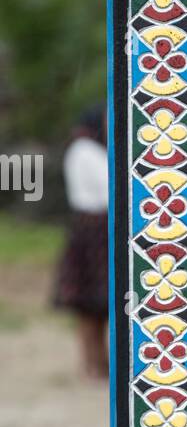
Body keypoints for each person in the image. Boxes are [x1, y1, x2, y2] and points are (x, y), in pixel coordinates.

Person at [54, 105, 110, 379]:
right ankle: (93, 364)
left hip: (94, 231)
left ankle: (98, 363)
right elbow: (109, 189)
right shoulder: (85, 151)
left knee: (97, 306)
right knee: (90, 305)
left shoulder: (89, 149)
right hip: (94, 232)